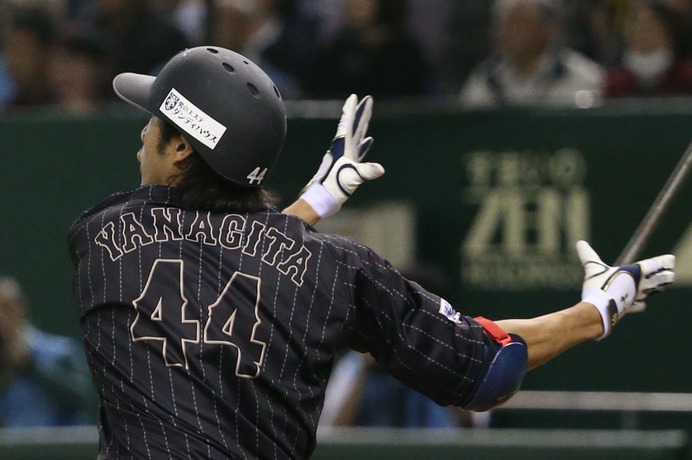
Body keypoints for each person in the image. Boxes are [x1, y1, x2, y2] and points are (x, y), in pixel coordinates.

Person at [68, 45, 675, 459]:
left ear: (180, 151)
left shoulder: (101, 236)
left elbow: (215, 254)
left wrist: (315, 202)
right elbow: (490, 372)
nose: (141, 133)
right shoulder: (334, 268)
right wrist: (597, 310)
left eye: (153, 123)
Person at [459, 0, 605, 108]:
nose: (506, 31)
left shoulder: (583, 77)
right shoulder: (484, 79)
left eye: (517, 22)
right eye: (502, 23)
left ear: (547, 28)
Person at [0, 276, 95, 427]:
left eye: (6, 308)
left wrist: (29, 365)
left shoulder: (60, 351)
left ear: (20, 308)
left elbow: (82, 396)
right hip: (14, 448)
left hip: (59, 447)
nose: (2, 318)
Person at [604, 0, 692, 98]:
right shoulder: (615, 82)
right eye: (638, 28)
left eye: (650, 28)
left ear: (668, 33)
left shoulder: (686, 78)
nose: (643, 35)